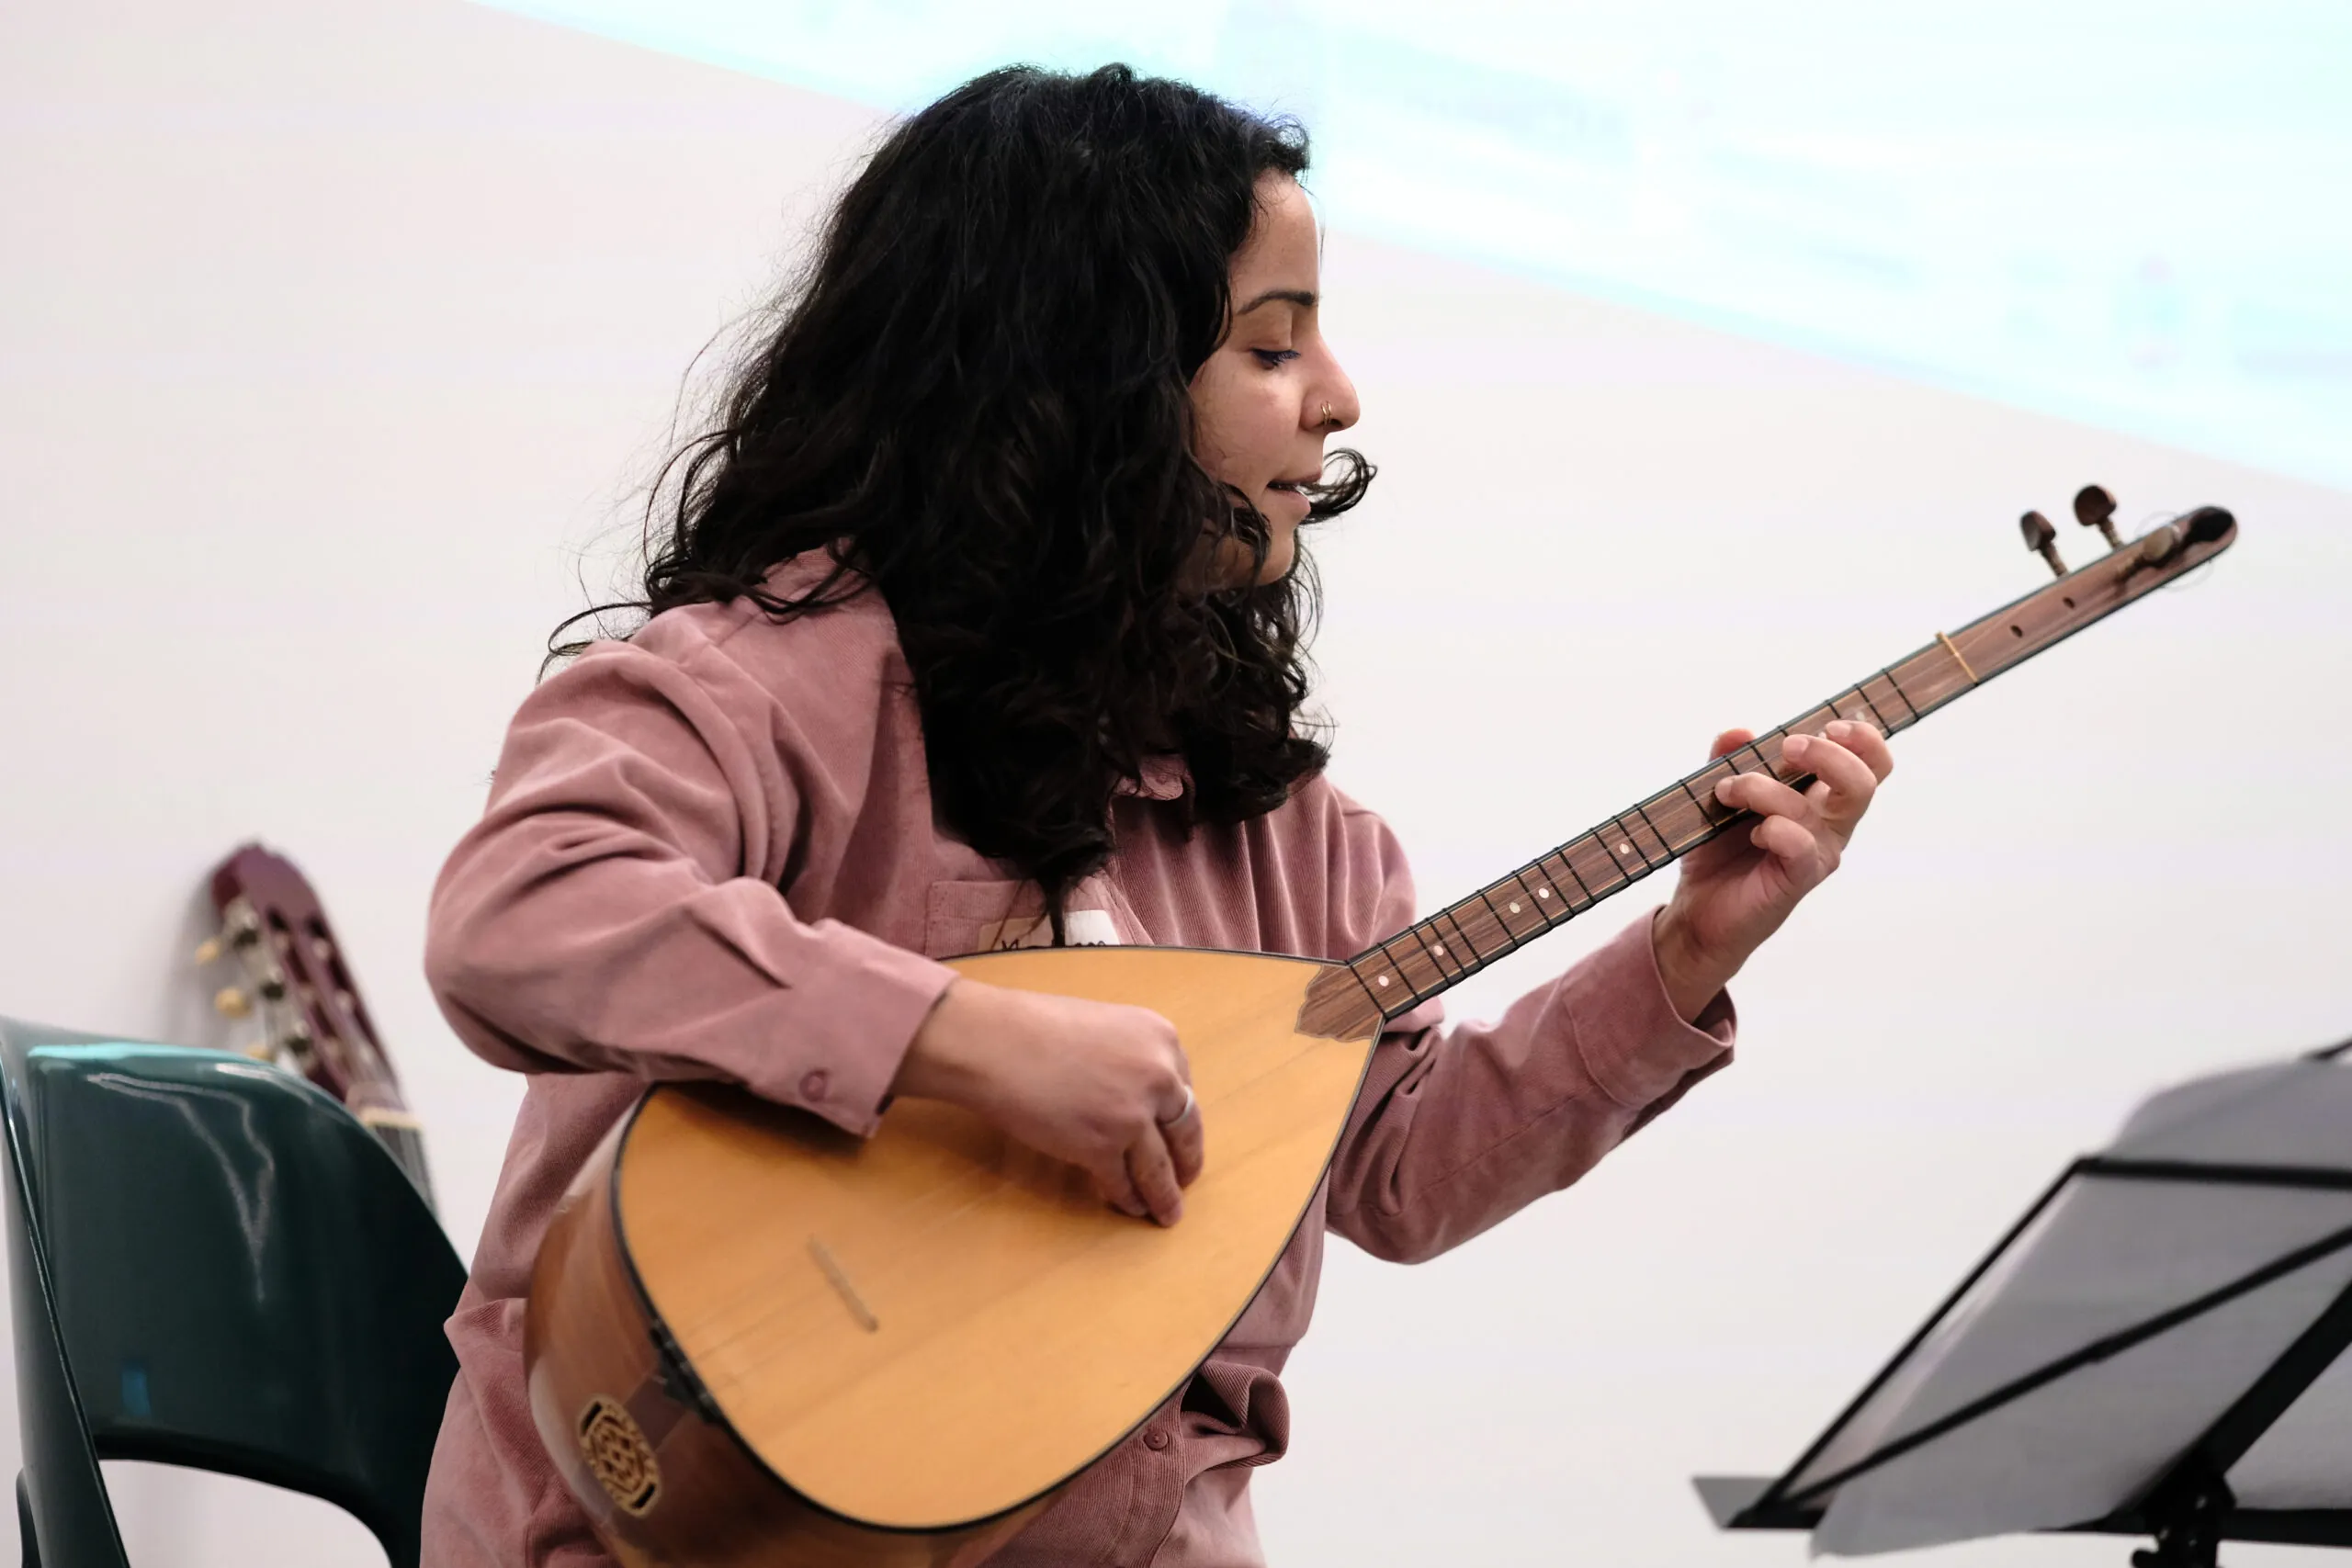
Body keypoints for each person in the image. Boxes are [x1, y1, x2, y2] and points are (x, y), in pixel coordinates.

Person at [419, 63, 1893, 1567]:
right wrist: (963, 1039)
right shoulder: (762, 686)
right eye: (1272, 342)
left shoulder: (1300, 837)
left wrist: (1685, 952)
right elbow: (520, 914)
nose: (1340, 394)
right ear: (1080, 379)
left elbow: (1393, 1171)